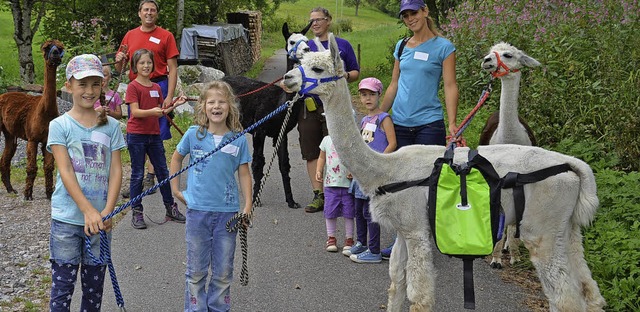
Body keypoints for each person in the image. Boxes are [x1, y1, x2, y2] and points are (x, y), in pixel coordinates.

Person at [379, 0, 460, 258]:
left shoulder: (444, 47)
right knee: (400, 184)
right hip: (400, 124)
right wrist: (378, 115)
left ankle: (427, 239)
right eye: (405, 15)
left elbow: (449, 86)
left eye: (414, 13)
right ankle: (400, 241)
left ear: (425, 11)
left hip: (429, 124)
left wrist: (453, 123)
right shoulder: (401, 46)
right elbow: (393, 84)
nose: (410, 18)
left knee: (429, 184)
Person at [47, 54, 126, 311]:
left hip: (100, 221)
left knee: (94, 291)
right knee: (62, 288)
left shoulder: (111, 126)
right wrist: (87, 210)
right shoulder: (59, 125)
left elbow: (115, 170)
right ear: (69, 86)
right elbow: (66, 170)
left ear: (102, 85)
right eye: (82, 84)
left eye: (95, 84)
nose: (89, 91)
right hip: (67, 220)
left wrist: (107, 209)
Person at [169, 80, 252, 311]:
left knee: (223, 270)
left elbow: (244, 174)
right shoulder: (194, 134)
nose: (217, 106)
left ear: (230, 106)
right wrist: (175, 189)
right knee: (196, 270)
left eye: (222, 102)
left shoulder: (238, 138)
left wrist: (247, 205)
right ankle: (195, 308)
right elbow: (176, 157)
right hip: (197, 212)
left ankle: (218, 307)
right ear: (203, 106)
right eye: (211, 102)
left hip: (227, 214)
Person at [115, 0, 180, 191]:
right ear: (139, 13)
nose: (149, 13)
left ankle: (151, 176)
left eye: (153, 10)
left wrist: (170, 95)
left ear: (156, 14)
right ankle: (138, 176)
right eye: (146, 10)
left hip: (159, 84)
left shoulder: (166, 36)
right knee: (138, 129)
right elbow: (120, 67)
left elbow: (173, 68)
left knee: (157, 131)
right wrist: (118, 60)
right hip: (136, 87)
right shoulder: (130, 35)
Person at [301, 6, 361, 213]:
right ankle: (318, 194)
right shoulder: (306, 46)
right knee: (311, 149)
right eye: (311, 21)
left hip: (335, 104)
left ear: (329, 20)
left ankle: (341, 192)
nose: (314, 24)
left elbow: (355, 72)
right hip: (310, 104)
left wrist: (345, 75)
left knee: (338, 147)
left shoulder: (342, 45)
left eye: (318, 19)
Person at [125, 48, 186, 229]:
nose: (146, 65)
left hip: (154, 135)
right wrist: (152, 112)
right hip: (136, 136)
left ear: (153, 65)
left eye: (149, 62)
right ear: (135, 66)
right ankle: (137, 211)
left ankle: (170, 207)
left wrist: (175, 104)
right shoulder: (133, 87)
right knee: (137, 174)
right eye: (142, 63)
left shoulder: (157, 87)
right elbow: (134, 112)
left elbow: (161, 112)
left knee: (162, 172)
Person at [344, 77, 397, 264]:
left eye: (371, 94)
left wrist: (379, 162)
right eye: (364, 94)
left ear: (379, 95)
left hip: (375, 174)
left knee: (370, 212)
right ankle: (362, 243)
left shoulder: (384, 118)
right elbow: (361, 146)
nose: (368, 98)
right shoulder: (365, 120)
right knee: (358, 209)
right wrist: (354, 167)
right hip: (361, 173)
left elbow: (392, 143)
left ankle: (374, 250)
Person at [316, 134, 355, 252]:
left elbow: (355, 158)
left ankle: (349, 239)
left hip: (348, 184)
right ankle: (331, 237)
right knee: (330, 211)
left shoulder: (351, 140)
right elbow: (322, 157)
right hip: (331, 184)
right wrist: (319, 170)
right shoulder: (326, 140)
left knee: (349, 213)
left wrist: (353, 171)